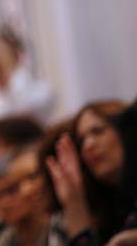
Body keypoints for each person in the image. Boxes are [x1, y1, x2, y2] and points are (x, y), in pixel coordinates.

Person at [45, 99, 137, 245]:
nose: (89, 145)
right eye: (81, 141)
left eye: (98, 131)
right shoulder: (104, 209)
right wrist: (73, 202)